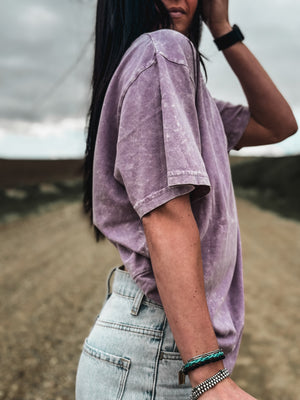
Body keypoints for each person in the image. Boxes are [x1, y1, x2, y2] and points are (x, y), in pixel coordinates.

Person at [75, 1, 298, 399]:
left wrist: (222, 27)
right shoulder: (163, 51)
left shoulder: (181, 87)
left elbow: (278, 124)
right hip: (159, 353)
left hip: (153, 347)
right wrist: (208, 374)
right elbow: (164, 214)